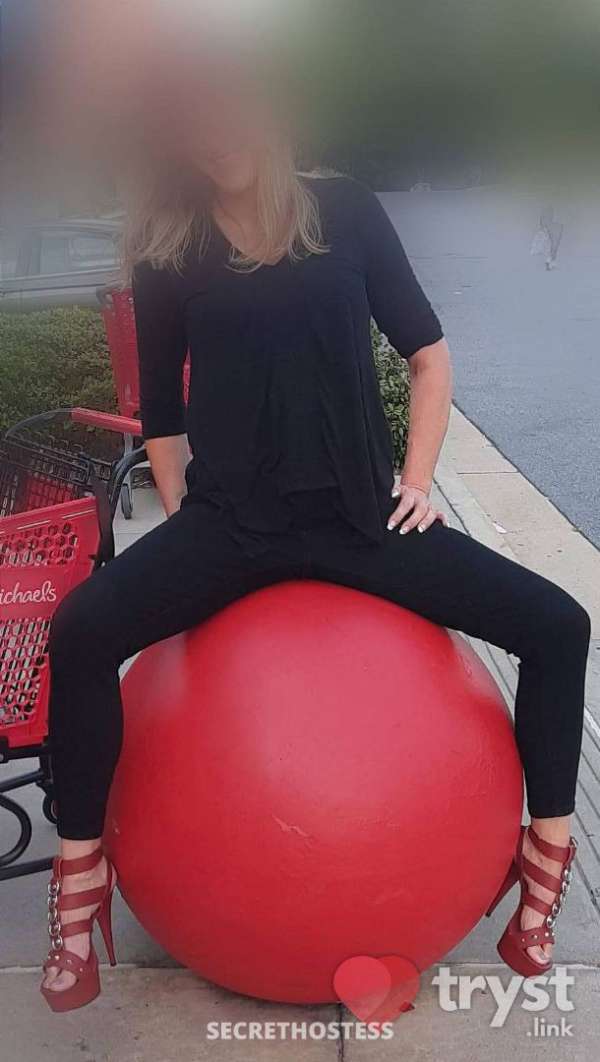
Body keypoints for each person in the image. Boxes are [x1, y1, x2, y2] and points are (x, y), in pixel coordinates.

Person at [41, 64, 589, 1011]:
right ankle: (79, 881)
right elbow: (164, 417)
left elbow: (428, 356)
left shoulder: (346, 212)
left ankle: (543, 865)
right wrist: (187, 524)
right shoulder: (170, 250)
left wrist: (417, 482)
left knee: (559, 626)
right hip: (230, 530)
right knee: (81, 630)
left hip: (359, 524)